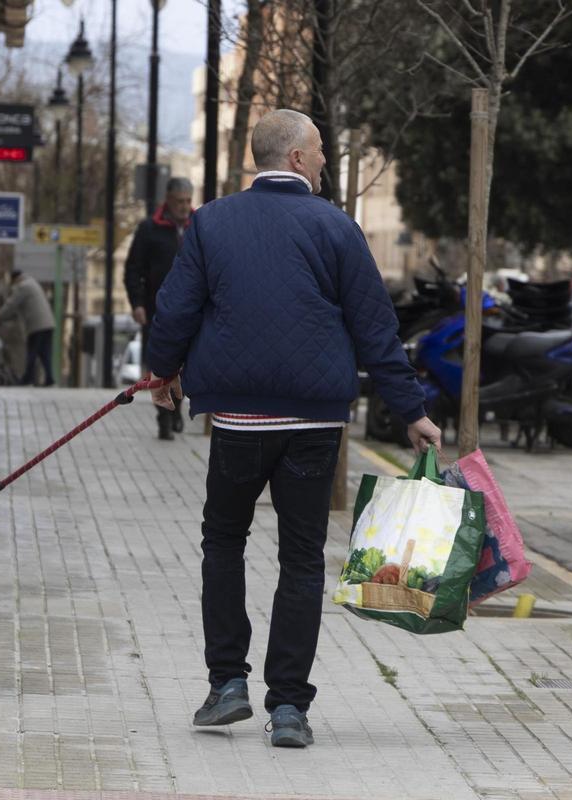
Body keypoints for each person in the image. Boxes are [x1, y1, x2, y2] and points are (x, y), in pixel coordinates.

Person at [144, 110, 441, 748]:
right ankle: (288, 709)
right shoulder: (337, 228)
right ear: (299, 158)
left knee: (222, 543)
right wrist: (411, 411)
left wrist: (161, 374)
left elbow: (175, 308)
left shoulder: (212, 222)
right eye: (322, 153)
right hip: (314, 425)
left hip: (237, 421)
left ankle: (227, 685)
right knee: (301, 557)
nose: (329, 163)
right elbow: (375, 329)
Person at [124, 176, 193, 440]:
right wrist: (137, 303)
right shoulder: (149, 229)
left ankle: (175, 411)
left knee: (186, 365)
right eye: (179, 201)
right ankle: (164, 418)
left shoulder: (198, 225)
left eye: (188, 201)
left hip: (190, 310)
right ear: (168, 200)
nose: (184, 207)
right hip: (157, 310)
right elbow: (133, 269)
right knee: (161, 365)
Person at [0, 269, 55, 386]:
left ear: (15, 279)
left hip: (37, 325)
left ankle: (27, 378)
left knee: (32, 352)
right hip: (48, 324)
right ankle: (49, 378)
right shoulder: (32, 283)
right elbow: (16, 310)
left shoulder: (22, 287)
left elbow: (11, 305)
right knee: (44, 353)